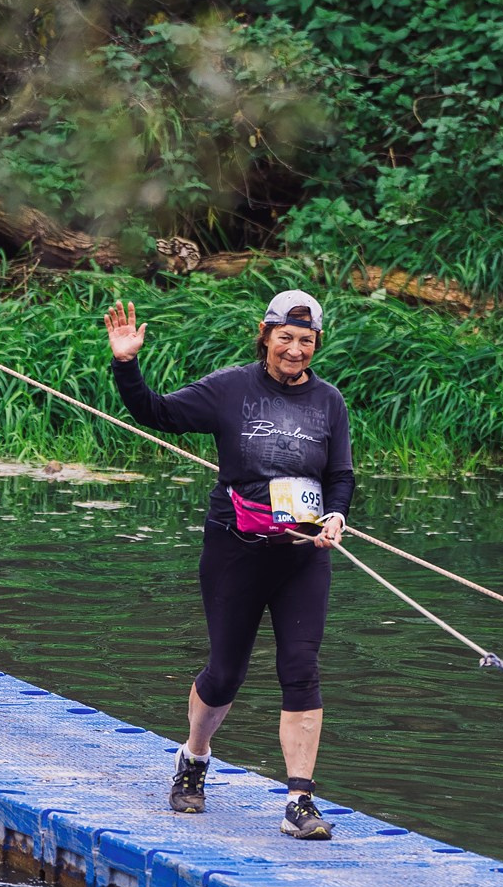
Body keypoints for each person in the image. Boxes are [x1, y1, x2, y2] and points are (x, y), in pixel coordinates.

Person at [103, 287, 352, 839]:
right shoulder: (230, 389)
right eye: (284, 338)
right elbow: (157, 411)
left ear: (317, 344)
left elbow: (340, 475)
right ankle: (194, 759)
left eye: (306, 341)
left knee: (301, 669)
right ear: (265, 337)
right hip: (235, 552)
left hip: (304, 555)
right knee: (226, 673)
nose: (295, 350)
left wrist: (336, 515)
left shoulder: (329, 401)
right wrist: (127, 364)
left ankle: (300, 802)